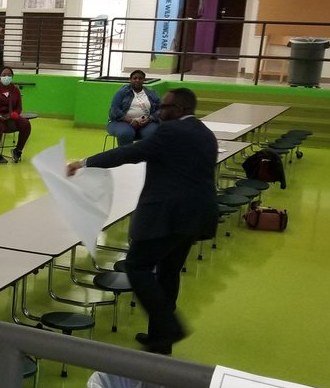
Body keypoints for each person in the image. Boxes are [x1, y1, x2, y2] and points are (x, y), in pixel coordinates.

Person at [66, 87, 217, 355]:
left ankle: (169, 327)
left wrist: (85, 162)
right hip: (195, 217)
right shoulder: (205, 133)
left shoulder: (170, 132)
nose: (160, 112)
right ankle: (161, 340)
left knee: (137, 267)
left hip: (166, 215)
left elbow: (129, 154)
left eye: (165, 107)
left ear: (179, 110)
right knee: (169, 273)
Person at [107, 69, 160, 147]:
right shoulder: (122, 92)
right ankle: (126, 158)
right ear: (130, 80)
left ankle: (147, 157)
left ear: (144, 80)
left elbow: (160, 109)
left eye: (140, 78)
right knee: (125, 133)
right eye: (135, 78)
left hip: (146, 123)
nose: (137, 80)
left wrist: (149, 119)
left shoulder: (151, 93)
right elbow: (114, 109)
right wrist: (130, 121)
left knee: (154, 132)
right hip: (122, 122)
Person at [0, 66, 31, 164]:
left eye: (9, 75)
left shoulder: (15, 90)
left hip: (10, 116)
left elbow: (19, 107)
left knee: (26, 124)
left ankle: (17, 151)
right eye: (4, 75)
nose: (6, 77)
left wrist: (14, 114)